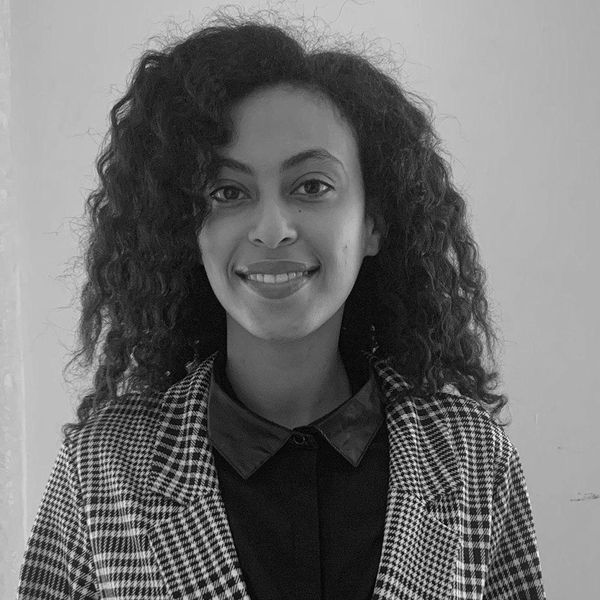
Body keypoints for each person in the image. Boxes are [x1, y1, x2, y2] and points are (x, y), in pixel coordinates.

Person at [18, 9, 546, 600]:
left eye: (312, 186)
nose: (272, 229)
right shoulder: (101, 471)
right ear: (187, 229)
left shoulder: (473, 461)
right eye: (227, 192)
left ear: (373, 223)